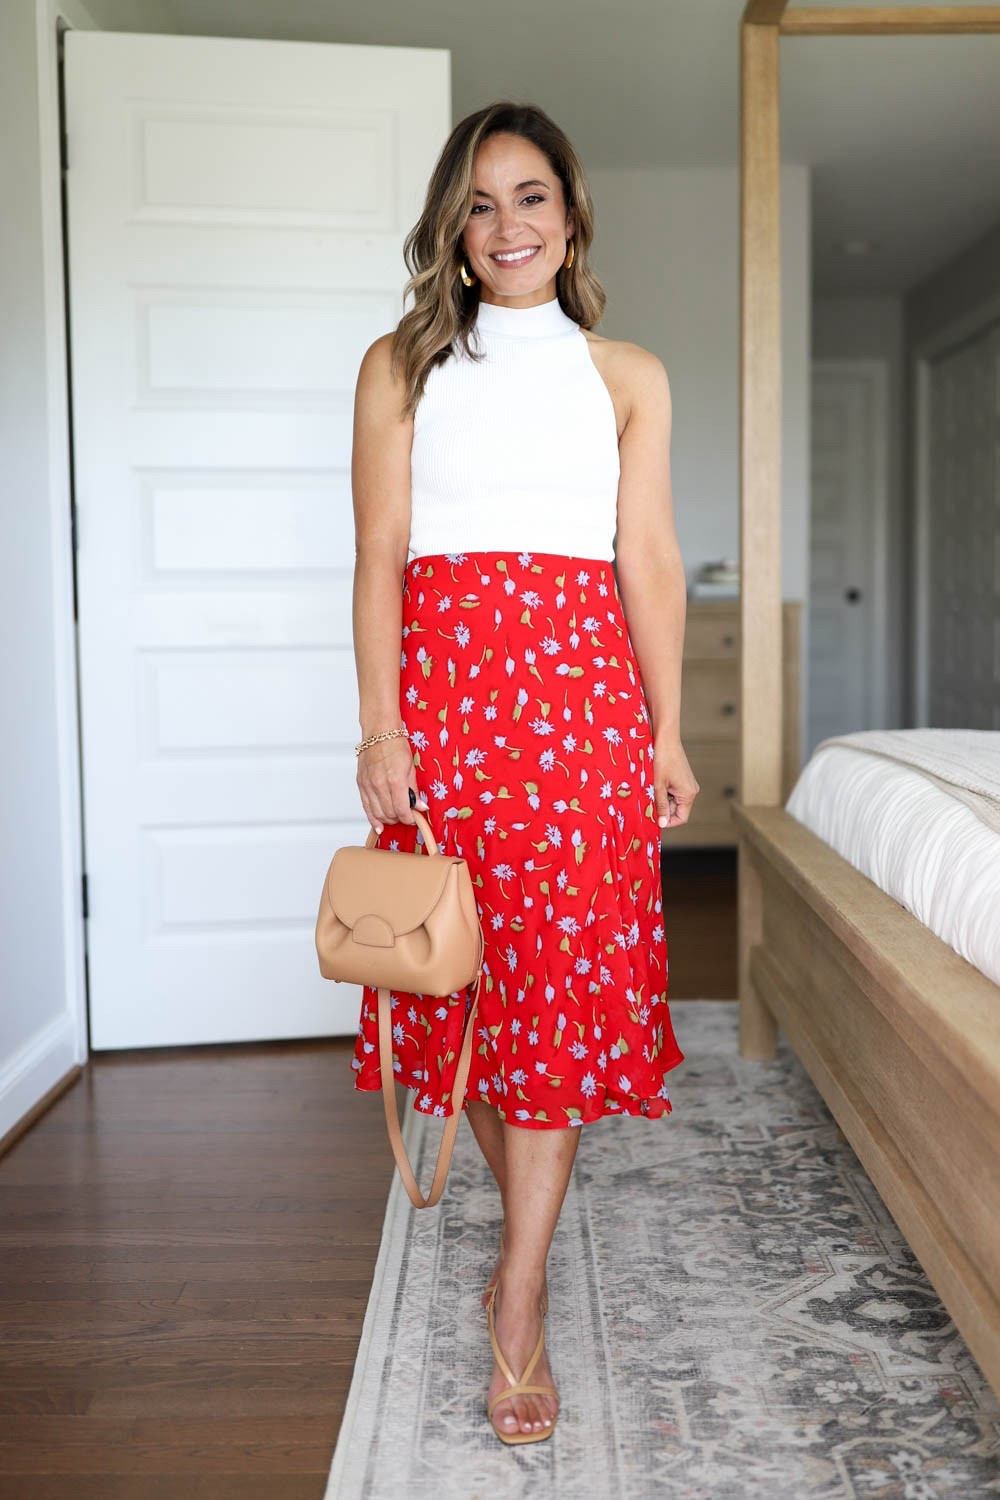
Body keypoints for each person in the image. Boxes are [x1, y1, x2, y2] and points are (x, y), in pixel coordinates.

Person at [348, 100, 698, 1446]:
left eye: (533, 197)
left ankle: (519, 1289)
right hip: (442, 712)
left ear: (571, 213)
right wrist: (381, 730)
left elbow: (648, 561)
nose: (510, 226)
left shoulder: (627, 376)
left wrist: (665, 731)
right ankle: (525, 1242)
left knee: (558, 991)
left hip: (580, 710)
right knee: (471, 988)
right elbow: (379, 556)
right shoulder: (399, 369)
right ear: (453, 224)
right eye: (482, 203)